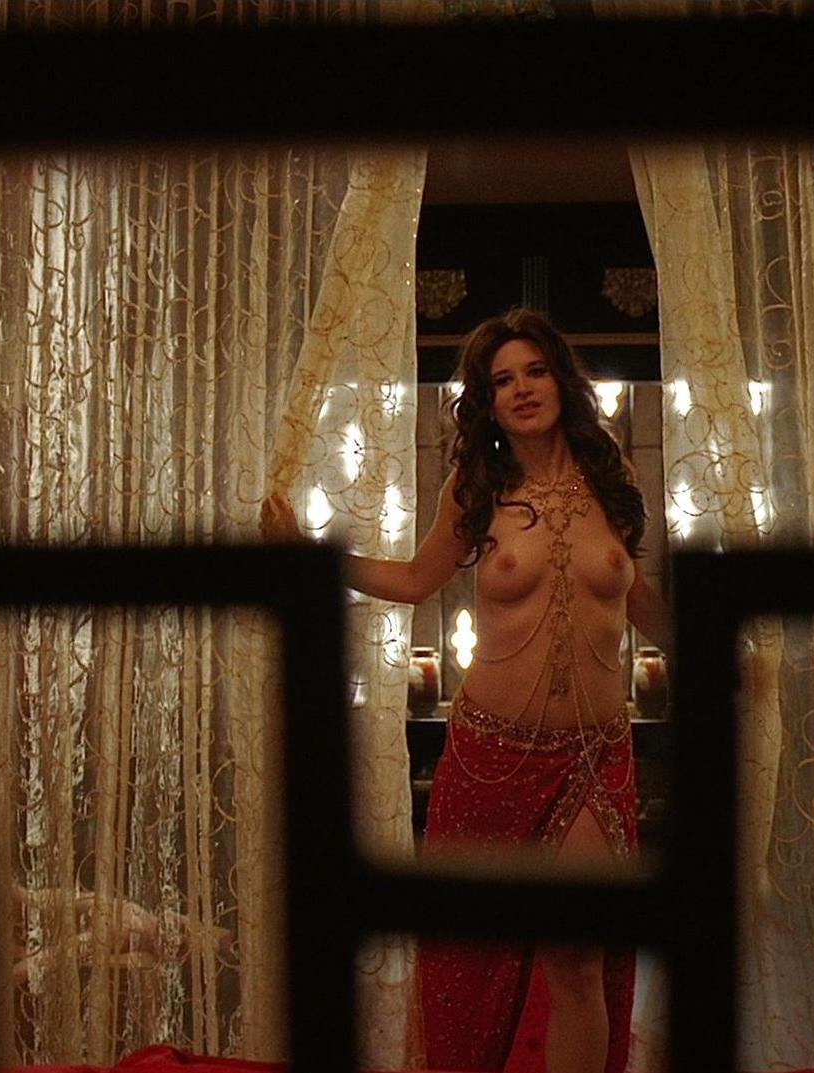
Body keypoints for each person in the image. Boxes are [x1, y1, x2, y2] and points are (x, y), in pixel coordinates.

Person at [261, 307, 668, 1073]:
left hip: (592, 755)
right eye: (502, 380)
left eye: (535, 371)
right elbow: (415, 579)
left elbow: (637, 597)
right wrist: (310, 562)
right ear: (487, 401)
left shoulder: (613, 477)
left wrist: (716, 649)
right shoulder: (476, 487)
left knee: (579, 956)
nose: (522, 389)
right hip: (490, 756)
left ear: (562, 380)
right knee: (469, 969)